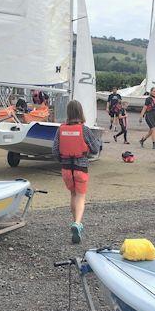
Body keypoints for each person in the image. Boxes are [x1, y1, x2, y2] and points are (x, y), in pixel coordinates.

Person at [52, 100, 101, 243]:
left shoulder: (60, 129)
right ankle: (78, 223)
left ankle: (75, 222)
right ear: (80, 112)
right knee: (80, 196)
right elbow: (95, 148)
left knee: (73, 194)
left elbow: (55, 150)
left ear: (68, 113)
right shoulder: (84, 129)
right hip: (81, 168)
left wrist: (62, 160)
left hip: (66, 169)